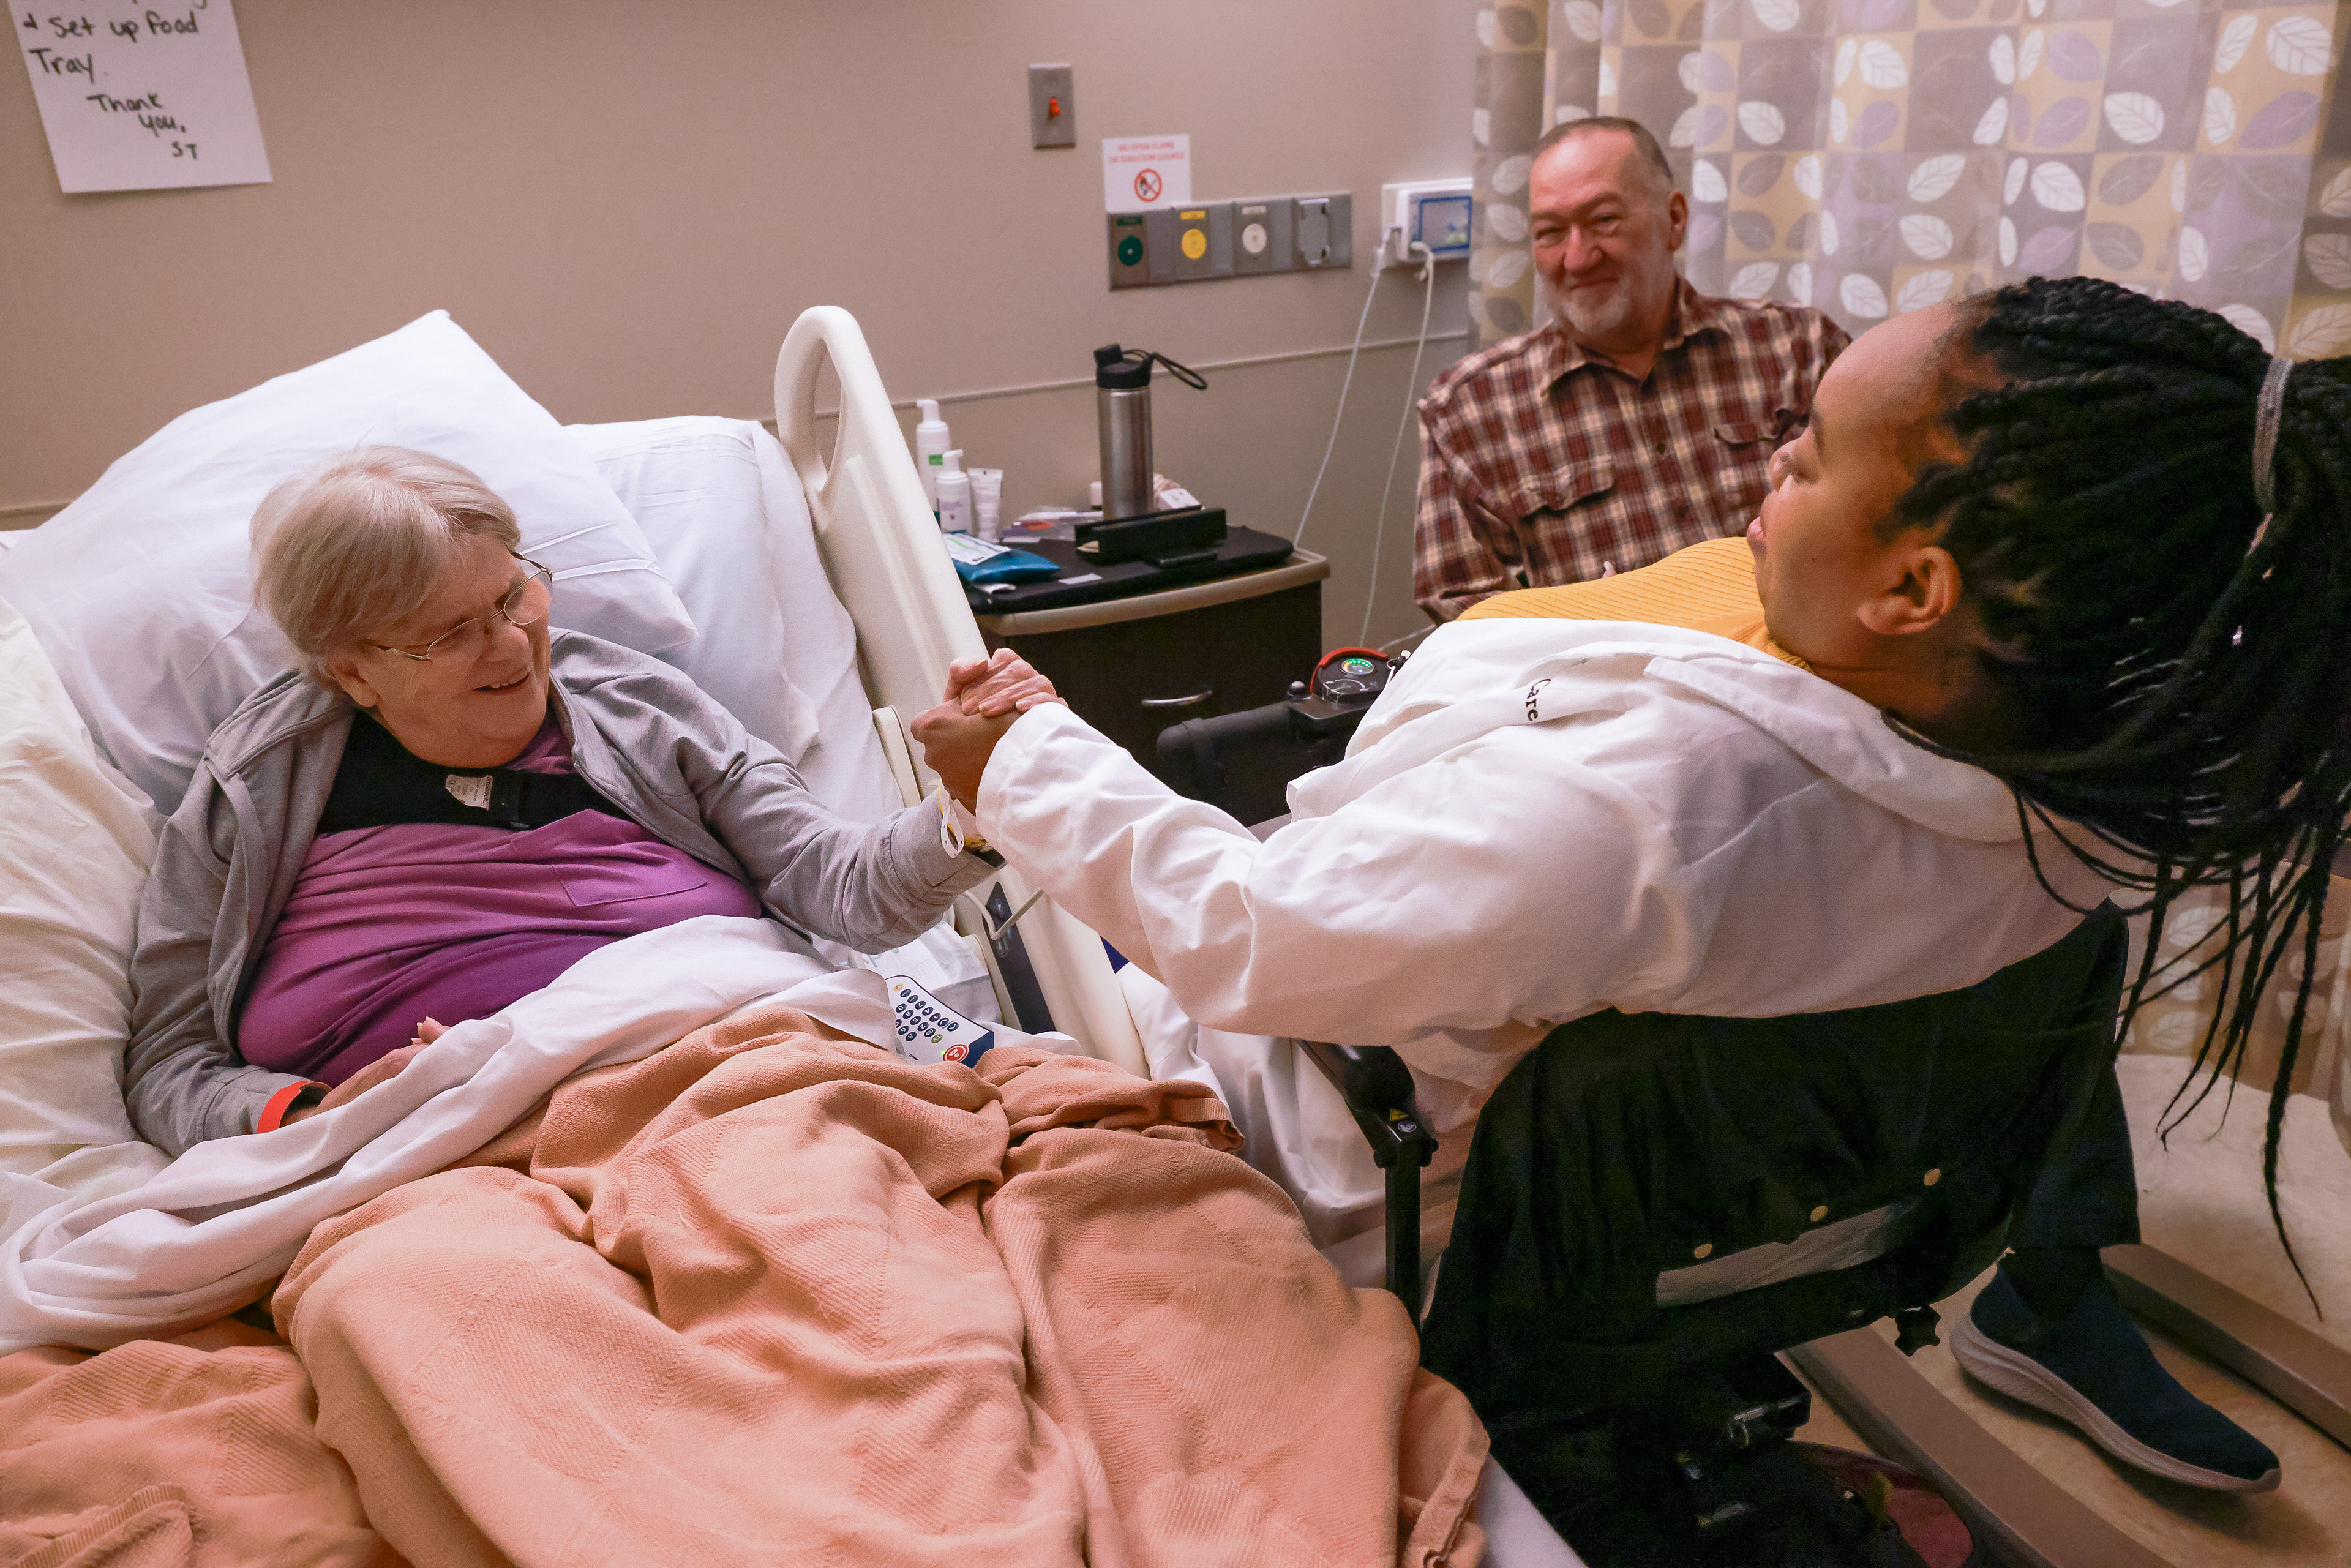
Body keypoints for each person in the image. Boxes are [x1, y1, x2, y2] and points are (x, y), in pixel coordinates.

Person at [916, 277, 2347, 1495]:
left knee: (955, 972)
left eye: (1809, 451)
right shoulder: (2085, 797)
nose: (1769, 462)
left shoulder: (1635, 815)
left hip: (1364, 1181)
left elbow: (1244, 936)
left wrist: (1020, 760)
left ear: (1911, 590)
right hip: (1722, 1226)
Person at [124, 446, 1048, 1156]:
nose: (511, 646)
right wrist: (313, 1110)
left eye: (513, 593)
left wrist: (967, 802)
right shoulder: (255, 789)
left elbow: (839, 886)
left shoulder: (640, 708)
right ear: (354, 670)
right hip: (440, 1162)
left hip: (735, 1086)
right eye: (451, 633)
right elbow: (168, 1066)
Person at [1412, 116, 1849, 623]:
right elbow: (1467, 609)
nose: (1577, 257)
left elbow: (1884, 519)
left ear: (1675, 219)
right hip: (1605, 689)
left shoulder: (1802, 350)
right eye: (1550, 232)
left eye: (1604, 220)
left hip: (1803, 667)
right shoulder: (1467, 409)